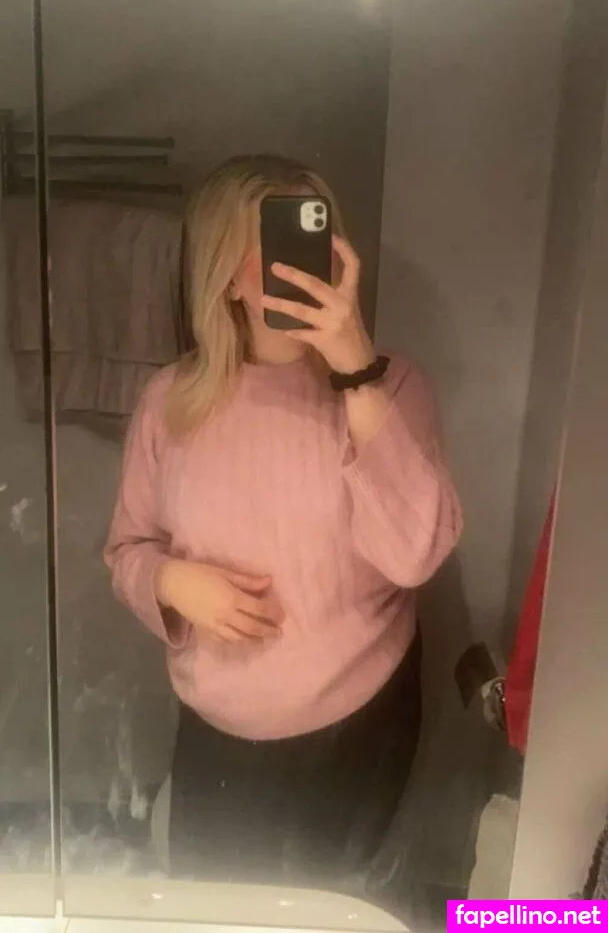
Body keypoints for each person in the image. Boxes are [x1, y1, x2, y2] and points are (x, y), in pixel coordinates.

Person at [104, 153, 462, 888]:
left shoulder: (393, 385)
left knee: (337, 913)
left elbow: (415, 555)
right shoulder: (169, 402)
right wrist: (170, 581)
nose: (298, 265)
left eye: (310, 237)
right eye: (268, 246)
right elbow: (127, 549)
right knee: (220, 912)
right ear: (227, 276)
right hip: (217, 734)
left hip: (358, 727)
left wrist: (354, 367)